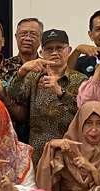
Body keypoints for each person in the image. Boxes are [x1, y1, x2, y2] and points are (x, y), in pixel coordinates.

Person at [8, 29, 87, 163]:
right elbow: (14, 95)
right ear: (41, 53)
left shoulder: (81, 79)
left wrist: (60, 91)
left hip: (69, 149)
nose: (55, 53)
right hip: (39, 151)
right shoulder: (33, 77)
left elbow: (83, 112)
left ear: (69, 50)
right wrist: (22, 71)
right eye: (49, 49)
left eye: (59, 48)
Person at [5, 18, 44, 143]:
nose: (27, 38)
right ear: (16, 37)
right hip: (8, 136)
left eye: (33, 34)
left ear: (41, 38)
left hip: (39, 136)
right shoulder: (4, 67)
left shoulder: (47, 68)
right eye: (23, 34)